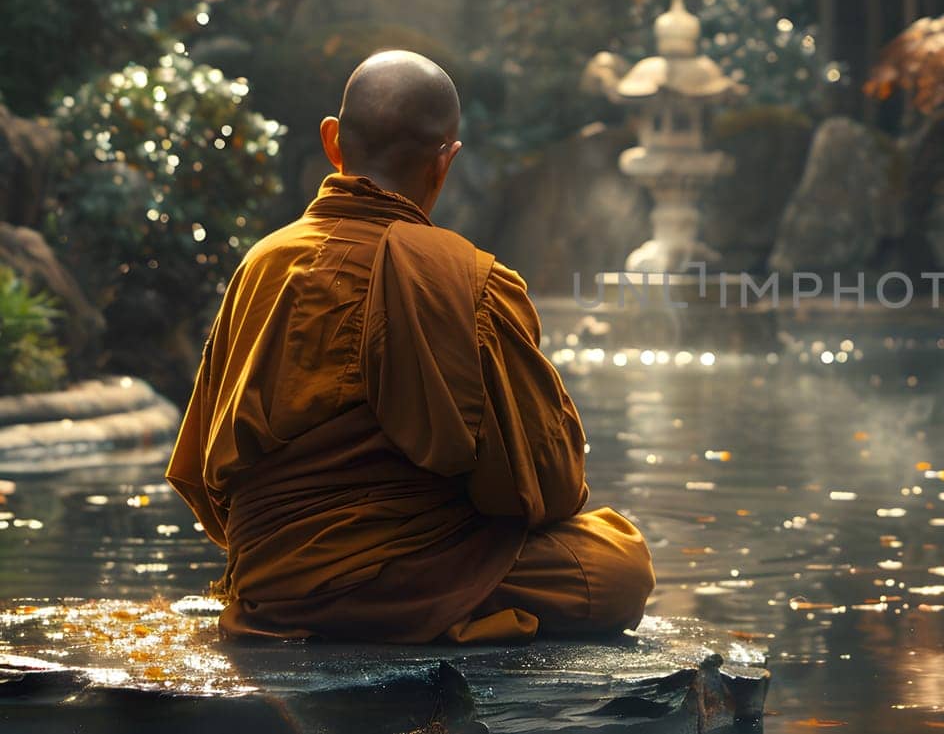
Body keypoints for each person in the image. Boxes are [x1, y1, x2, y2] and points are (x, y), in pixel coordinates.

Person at [166, 50, 653, 643]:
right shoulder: (470, 282)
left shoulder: (263, 264)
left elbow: (202, 470)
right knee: (616, 564)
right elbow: (545, 485)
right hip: (414, 576)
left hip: (274, 582)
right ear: (445, 162)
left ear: (332, 141)